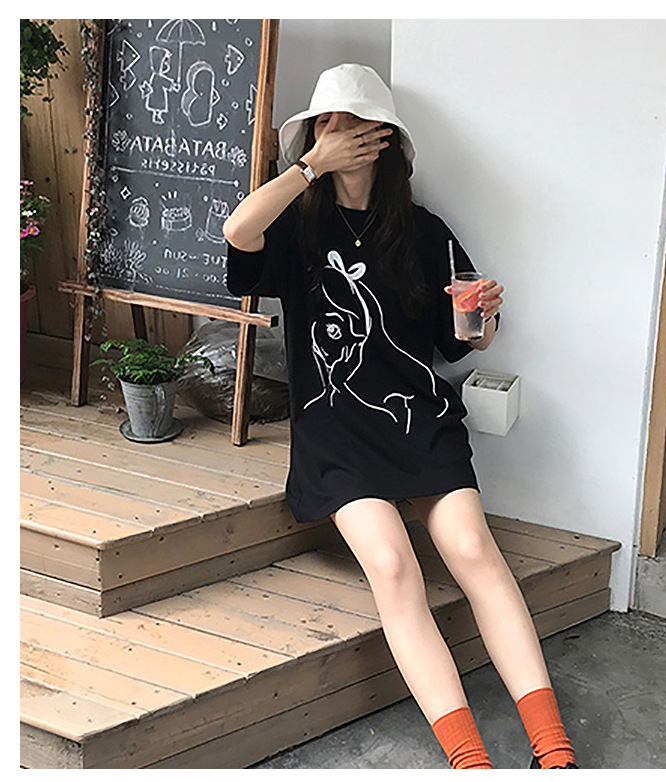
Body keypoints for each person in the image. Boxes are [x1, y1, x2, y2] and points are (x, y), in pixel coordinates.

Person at [223, 63, 577, 770]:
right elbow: (237, 232)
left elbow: (463, 341)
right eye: (326, 123)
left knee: (473, 551)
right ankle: (469, 759)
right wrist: (310, 167)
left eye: (355, 123)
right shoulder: (295, 227)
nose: (340, 134)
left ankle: (552, 745)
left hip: (419, 419)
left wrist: (485, 318)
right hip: (334, 431)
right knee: (391, 566)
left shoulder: (424, 231)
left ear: (385, 138)